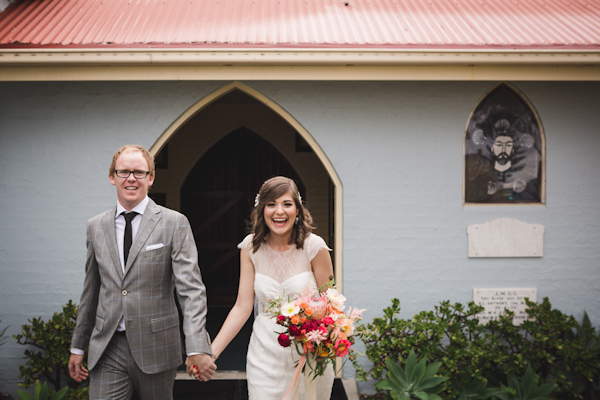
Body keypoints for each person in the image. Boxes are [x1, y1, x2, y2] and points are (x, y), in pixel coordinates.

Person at [68, 144, 216, 400]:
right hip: (108, 346)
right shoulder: (95, 226)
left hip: (157, 346)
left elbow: (190, 290)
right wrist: (78, 345)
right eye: (124, 171)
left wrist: (196, 346)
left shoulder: (174, 223)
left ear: (151, 178)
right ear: (112, 177)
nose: (131, 178)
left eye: (139, 172)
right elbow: (91, 291)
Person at [204, 176, 335, 399]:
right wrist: (212, 352)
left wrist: (325, 340)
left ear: (298, 209)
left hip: (309, 355)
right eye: (271, 204)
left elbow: (332, 303)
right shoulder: (250, 247)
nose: (279, 212)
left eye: (287, 204)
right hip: (264, 354)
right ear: (261, 209)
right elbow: (242, 306)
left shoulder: (315, 247)